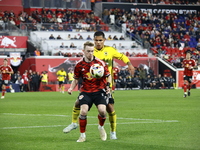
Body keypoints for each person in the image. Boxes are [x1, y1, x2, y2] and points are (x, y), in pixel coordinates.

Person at [63, 31, 135, 140]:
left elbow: (121, 56)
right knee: (79, 103)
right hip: (88, 86)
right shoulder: (90, 53)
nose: (98, 42)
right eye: (96, 40)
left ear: (104, 40)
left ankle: (112, 132)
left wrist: (129, 64)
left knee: (109, 109)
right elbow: (79, 73)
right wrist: (72, 88)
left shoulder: (109, 51)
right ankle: (75, 125)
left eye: (100, 40)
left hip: (104, 85)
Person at [67, 41, 111, 142]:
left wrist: (108, 86)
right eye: (88, 51)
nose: (90, 53)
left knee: (103, 111)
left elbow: (108, 76)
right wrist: (71, 88)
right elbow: (76, 79)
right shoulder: (79, 65)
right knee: (83, 111)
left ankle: (100, 127)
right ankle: (82, 136)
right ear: (83, 51)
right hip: (85, 91)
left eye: (92, 51)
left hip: (99, 90)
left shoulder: (100, 63)